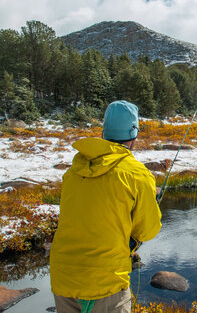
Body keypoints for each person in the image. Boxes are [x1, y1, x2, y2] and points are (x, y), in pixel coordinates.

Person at [50, 100, 162, 313]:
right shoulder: (137, 174)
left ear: (103, 133)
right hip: (106, 282)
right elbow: (148, 231)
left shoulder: (73, 172)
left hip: (63, 278)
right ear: (134, 136)